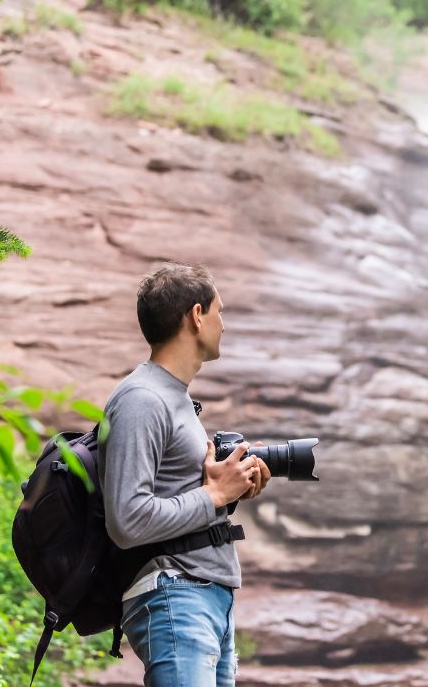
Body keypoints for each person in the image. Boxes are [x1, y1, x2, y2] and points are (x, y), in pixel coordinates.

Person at [99, 262, 270, 686]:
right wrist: (213, 495)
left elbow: (177, 492)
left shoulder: (173, 397)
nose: (223, 326)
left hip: (204, 596)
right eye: (219, 312)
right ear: (196, 315)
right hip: (176, 596)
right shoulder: (143, 399)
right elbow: (127, 519)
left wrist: (229, 488)